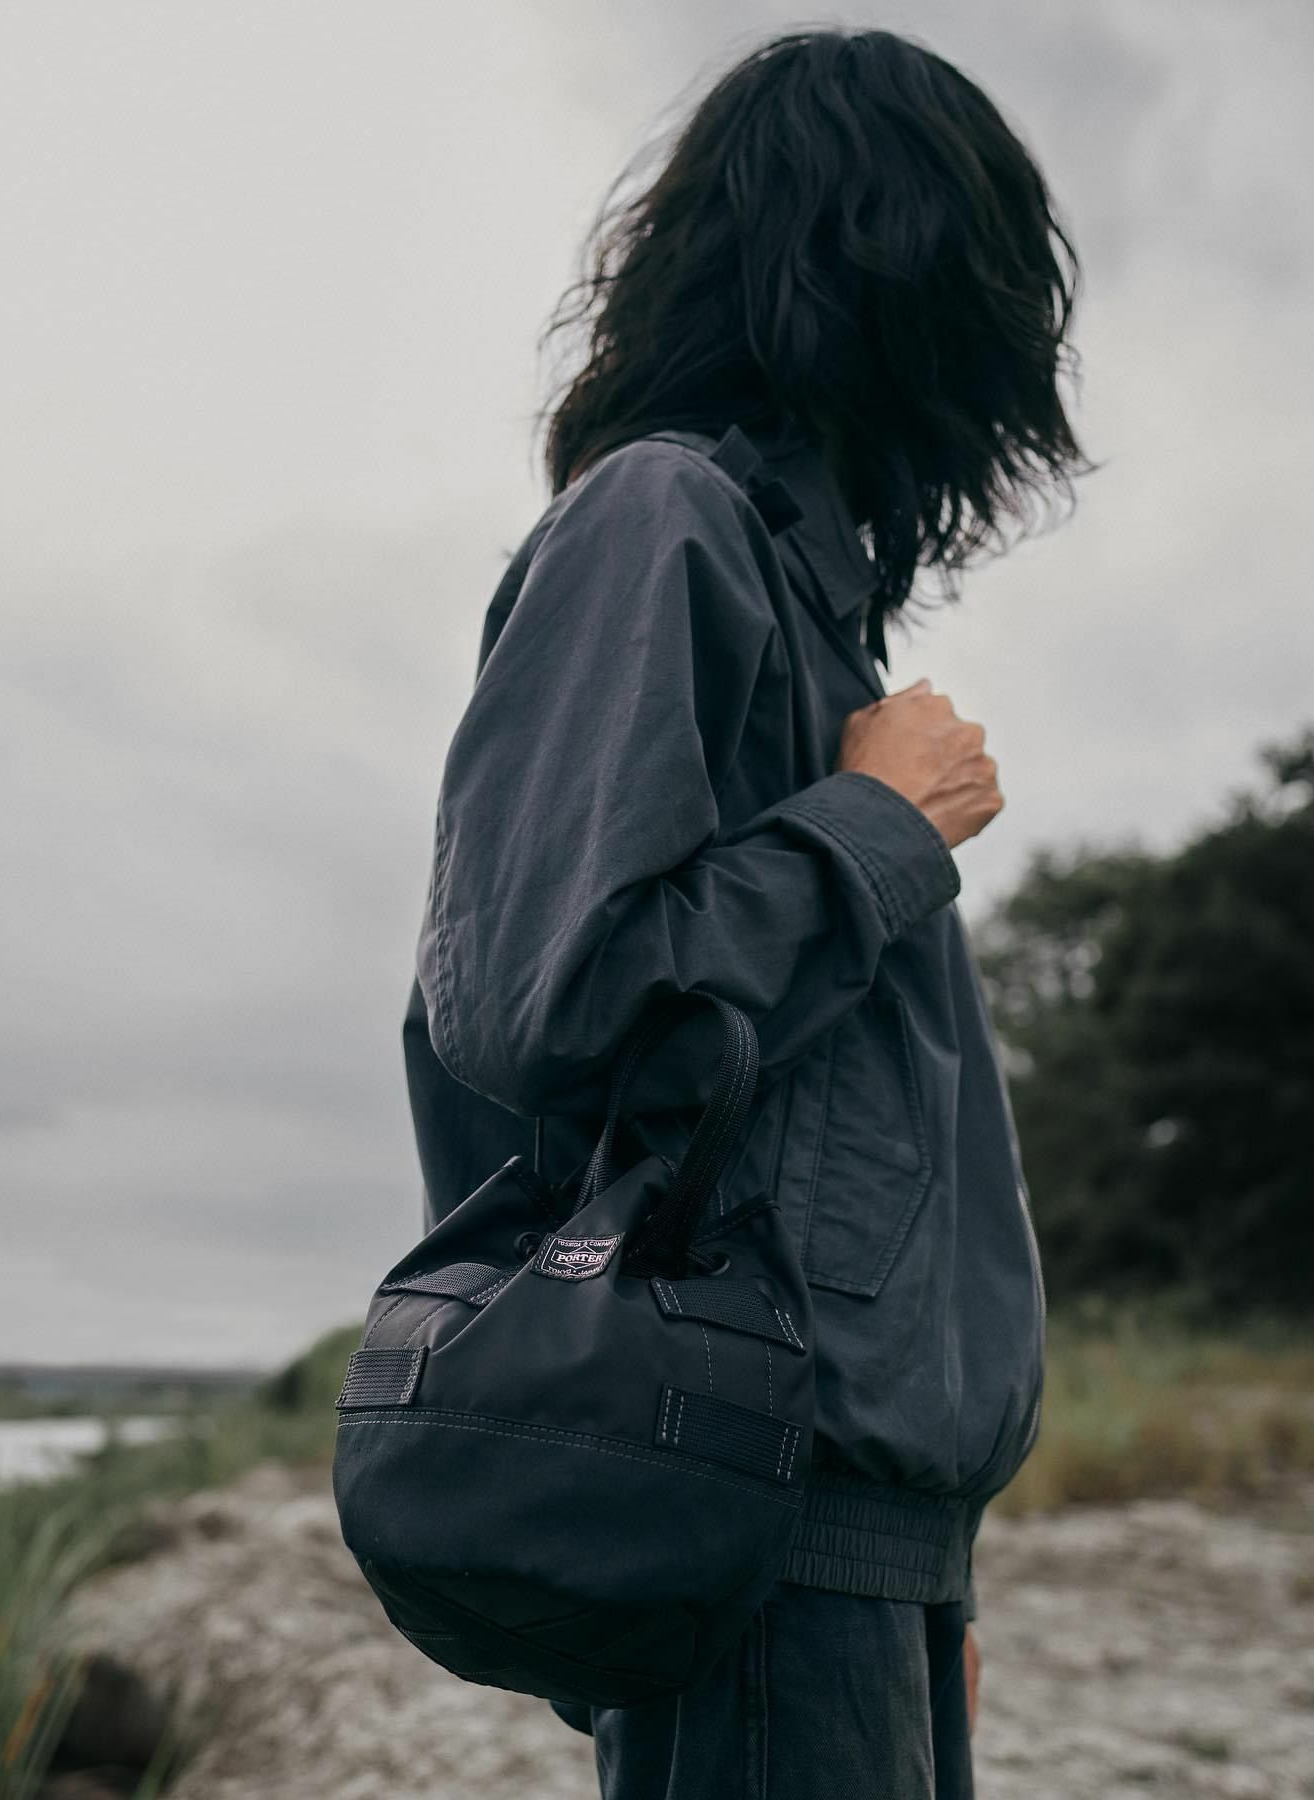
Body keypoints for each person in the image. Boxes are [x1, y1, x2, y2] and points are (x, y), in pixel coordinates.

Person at [402, 24, 1094, 1799]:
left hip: (846, 1539)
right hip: (753, 1491)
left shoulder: (806, 599)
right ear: (883, 262)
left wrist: (927, 1559)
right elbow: (541, 999)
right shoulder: (662, 518)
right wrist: (874, 827)